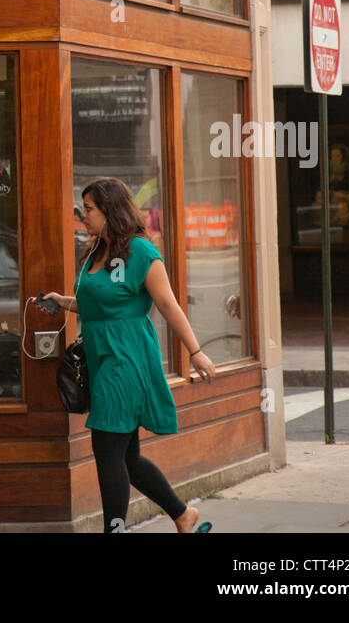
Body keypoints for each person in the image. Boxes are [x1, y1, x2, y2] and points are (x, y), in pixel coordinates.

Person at [42, 175, 216, 534]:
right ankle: (184, 516)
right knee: (127, 456)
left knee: (107, 452)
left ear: (109, 211)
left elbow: (167, 304)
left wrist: (195, 352)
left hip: (126, 362)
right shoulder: (95, 250)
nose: (83, 214)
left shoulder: (142, 252)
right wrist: (65, 302)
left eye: (88, 209)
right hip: (103, 358)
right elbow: (104, 305)